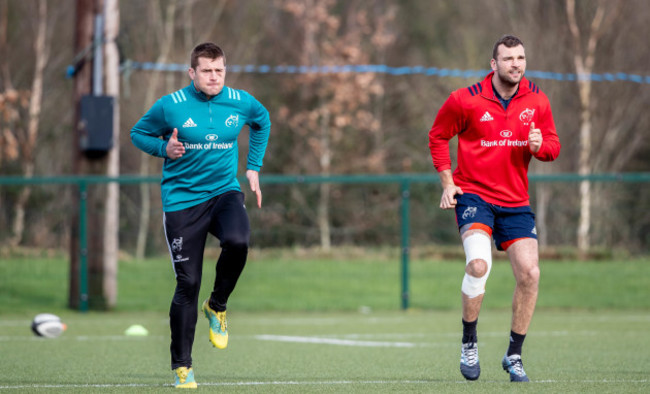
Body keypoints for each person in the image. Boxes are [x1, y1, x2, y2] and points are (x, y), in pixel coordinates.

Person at [130, 42, 271, 389]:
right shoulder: (170, 106)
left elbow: (262, 121)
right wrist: (165, 148)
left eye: (219, 70)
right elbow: (138, 133)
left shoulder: (240, 101)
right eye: (206, 70)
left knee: (238, 241)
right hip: (181, 202)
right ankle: (183, 367)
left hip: (224, 192)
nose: (214, 77)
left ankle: (218, 305)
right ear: (192, 73)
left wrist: (253, 167)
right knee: (187, 283)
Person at [428, 35, 560, 382]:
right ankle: (469, 341)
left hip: (516, 201)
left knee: (530, 274)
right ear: (494, 64)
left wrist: (540, 145)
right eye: (508, 59)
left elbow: (553, 146)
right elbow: (438, 135)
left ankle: (514, 355)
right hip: (474, 195)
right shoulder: (465, 100)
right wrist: (447, 183)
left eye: (521, 57)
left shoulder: (538, 99)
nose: (516, 64)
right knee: (478, 264)